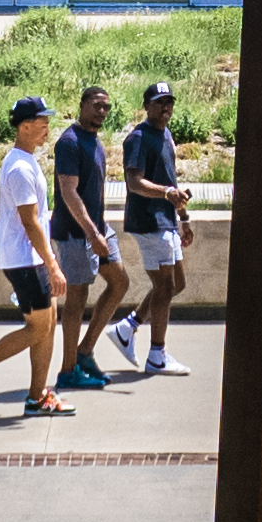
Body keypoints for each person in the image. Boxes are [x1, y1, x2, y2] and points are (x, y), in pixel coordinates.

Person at [0, 98, 73, 418]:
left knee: (46, 326)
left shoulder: (25, 161)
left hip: (30, 259)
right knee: (38, 329)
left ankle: (37, 398)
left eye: (48, 120)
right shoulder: (20, 167)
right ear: (24, 127)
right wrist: (52, 263)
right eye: (42, 122)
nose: (47, 126)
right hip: (24, 261)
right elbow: (29, 220)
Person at [47, 84, 129, 391]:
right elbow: (68, 191)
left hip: (96, 228)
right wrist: (92, 234)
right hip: (75, 234)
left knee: (119, 282)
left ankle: (84, 352)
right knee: (77, 300)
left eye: (106, 107)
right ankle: (68, 371)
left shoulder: (94, 141)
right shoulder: (69, 142)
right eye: (97, 105)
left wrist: (98, 231)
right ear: (82, 105)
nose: (102, 111)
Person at [110, 81, 194, 377]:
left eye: (169, 101)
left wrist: (183, 218)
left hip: (167, 220)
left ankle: (127, 327)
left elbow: (170, 180)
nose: (166, 107)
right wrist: (166, 195)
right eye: (159, 102)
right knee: (165, 286)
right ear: (146, 106)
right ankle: (157, 355)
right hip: (148, 221)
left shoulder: (166, 135)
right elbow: (134, 182)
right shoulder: (138, 138)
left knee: (176, 284)